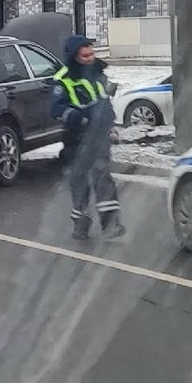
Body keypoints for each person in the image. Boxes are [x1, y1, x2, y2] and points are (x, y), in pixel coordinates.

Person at [51, 34, 124, 242]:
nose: (91, 58)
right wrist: (78, 119)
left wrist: (110, 125)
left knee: (103, 178)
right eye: (85, 55)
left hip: (98, 136)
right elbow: (56, 109)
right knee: (80, 182)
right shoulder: (62, 79)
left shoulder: (98, 74)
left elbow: (104, 103)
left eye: (92, 54)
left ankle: (111, 225)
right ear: (75, 57)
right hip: (77, 138)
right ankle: (81, 224)